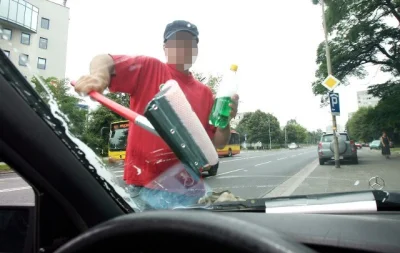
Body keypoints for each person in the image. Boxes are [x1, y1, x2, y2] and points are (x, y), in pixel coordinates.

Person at [74, 20, 239, 211]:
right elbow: (104, 59)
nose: (184, 47)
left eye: (190, 43)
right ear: (165, 47)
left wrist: (226, 121)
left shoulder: (205, 93)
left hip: (190, 187)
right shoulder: (149, 68)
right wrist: (99, 77)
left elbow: (216, 144)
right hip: (146, 188)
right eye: (177, 41)